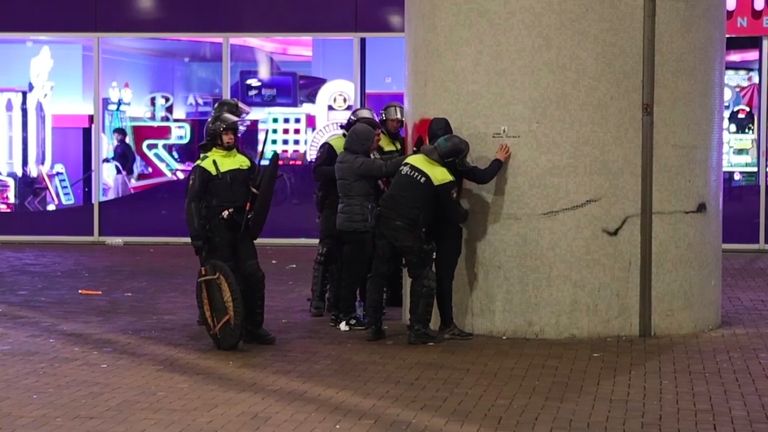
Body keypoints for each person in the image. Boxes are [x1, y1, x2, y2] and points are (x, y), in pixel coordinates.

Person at [365, 134, 470, 344]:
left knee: (379, 275)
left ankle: (373, 326)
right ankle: (418, 330)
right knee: (424, 276)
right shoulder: (442, 176)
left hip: (383, 220)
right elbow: (454, 213)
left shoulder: (411, 159)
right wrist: (467, 213)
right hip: (407, 228)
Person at [185, 111, 275, 345]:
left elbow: (258, 193)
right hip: (216, 232)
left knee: (254, 276)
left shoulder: (245, 161)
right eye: (225, 133)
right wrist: (197, 236)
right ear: (215, 136)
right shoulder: (203, 166)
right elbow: (192, 203)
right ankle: (227, 330)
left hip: (241, 229)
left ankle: (254, 328)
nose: (230, 138)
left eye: (233, 133)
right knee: (226, 279)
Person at [427, 117, 511, 340]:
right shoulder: (454, 160)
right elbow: (482, 177)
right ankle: (447, 324)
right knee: (445, 276)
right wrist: (498, 160)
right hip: (448, 225)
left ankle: (420, 324)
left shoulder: (422, 158)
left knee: (424, 276)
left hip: (425, 223)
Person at [309, 108, 380, 324]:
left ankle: (340, 302)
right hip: (332, 202)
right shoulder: (333, 144)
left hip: (356, 205)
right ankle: (318, 300)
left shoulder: (370, 148)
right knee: (327, 251)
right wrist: (345, 171)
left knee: (350, 259)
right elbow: (318, 171)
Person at [335, 122, 406, 331]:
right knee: (354, 272)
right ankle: (347, 315)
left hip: (351, 221)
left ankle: (347, 312)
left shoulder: (347, 159)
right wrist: (412, 156)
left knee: (351, 270)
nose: (377, 141)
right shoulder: (356, 163)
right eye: (373, 139)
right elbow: (384, 167)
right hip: (357, 224)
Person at [375, 102, 407, 308]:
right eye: (393, 120)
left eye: (399, 121)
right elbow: (380, 170)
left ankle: (395, 295)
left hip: (397, 200)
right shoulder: (378, 141)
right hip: (383, 200)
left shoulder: (400, 141)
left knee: (397, 254)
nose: (396, 124)